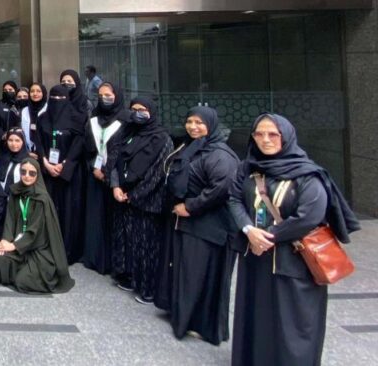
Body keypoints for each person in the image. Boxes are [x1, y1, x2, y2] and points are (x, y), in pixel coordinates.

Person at [228, 114, 359, 365]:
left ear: (286, 137)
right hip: (256, 259)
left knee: (292, 322)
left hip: (293, 261)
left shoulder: (308, 174)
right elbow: (233, 199)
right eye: (259, 134)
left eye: (273, 134)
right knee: (259, 314)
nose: (265, 140)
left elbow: (309, 216)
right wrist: (248, 230)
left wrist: (267, 237)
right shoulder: (247, 168)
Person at [154, 106, 239, 345]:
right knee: (189, 271)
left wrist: (190, 206)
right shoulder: (193, 147)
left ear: (211, 125)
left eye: (199, 123)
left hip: (208, 225)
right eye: (189, 121)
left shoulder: (220, 155)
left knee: (201, 273)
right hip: (190, 223)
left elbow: (222, 188)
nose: (193, 126)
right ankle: (186, 317)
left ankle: (201, 323)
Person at [109, 97, 172, 304]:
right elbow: (114, 159)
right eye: (134, 109)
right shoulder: (127, 132)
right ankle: (130, 278)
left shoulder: (162, 139)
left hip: (146, 202)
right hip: (123, 196)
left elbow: (158, 172)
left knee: (147, 246)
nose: (137, 113)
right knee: (129, 242)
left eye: (142, 110)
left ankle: (149, 288)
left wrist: (134, 195)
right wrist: (116, 186)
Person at [0, 158, 75, 294]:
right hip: (17, 242)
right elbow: (9, 220)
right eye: (24, 172)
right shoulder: (16, 192)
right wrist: (5, 240)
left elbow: (36, 231)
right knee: (0, 257)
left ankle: (21, 273)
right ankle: (18, 270)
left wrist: (13, 246)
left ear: (38, 175)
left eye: (32, 173)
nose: (27, 176)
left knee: (22, 282)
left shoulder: (42, 198)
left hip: (38, 249)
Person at [38, 84, 88, 264]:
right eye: (54, 98)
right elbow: (39, 143)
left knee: (68, 212)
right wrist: (45, 162)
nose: (57, 102)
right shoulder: (43, 118)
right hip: (47, 172)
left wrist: (64, 164)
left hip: (69, 174)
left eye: (61, 99)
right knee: (49, 209)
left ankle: (67, 250)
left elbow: (79, 144)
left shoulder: (77, 119)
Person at [82, 82, 127, 274]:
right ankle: (95, 258)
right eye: (100, 95)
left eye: (108, 95)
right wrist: (94, 167)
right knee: (95, 217)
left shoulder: (125, 120)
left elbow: (123, 150)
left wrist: (108, 171)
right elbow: (87, 147)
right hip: (95, 174)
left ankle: (113, 261)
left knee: (113, 219)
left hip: (115, 178)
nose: (104, 99)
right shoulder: (93, 119)